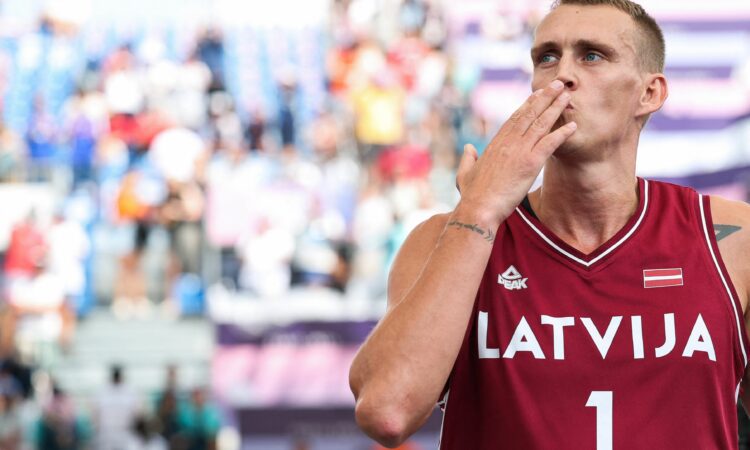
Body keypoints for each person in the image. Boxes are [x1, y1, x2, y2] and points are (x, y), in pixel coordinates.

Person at [349, 0, 750, 449]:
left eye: (592, 55)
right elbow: (386, 412)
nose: (562, 75)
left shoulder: (731, 240)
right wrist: (478, 211)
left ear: (650, 93)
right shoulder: (448, 237)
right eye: (547, 57)